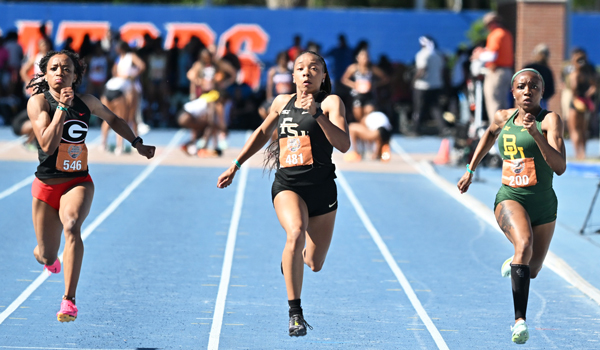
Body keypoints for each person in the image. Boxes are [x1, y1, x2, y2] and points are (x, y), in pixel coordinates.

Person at [217, 51, 350, 337]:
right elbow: (262, 133)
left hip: (323, 190)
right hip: (288, 186)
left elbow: (344, 144)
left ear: (323, 76)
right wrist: (236, 164)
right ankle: (295, 313)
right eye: (300, 68)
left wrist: (316, 114)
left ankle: (292, 260)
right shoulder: (281, 102)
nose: (307, 72)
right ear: (292, 76)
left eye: (314, 68)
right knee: (295, 232)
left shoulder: (331, 103)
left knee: (314, 263)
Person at [25, 50, 155, 322]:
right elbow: (48, 145)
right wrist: (61, 107)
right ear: (46, 75)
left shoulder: (88, 102)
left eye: (67, 69)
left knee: (72, 225)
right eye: (55, 68)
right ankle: (48, 258)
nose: (61, 72)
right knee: (47, 254)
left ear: (75, 76)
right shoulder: (38, 103)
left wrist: (137, 143)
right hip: (46, 185)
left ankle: (68, 301)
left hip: (77, 181)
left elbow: (115, 120)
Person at [457, 68, 566, 344]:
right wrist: (470, 168)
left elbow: (560, 167)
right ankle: (519, 321)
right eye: (521, 86)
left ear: (542, 92)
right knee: (524, 244)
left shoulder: (550, 121)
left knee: (534, 268)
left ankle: (517, 261)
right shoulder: (503, 117)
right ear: (513, 91)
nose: (527, 91)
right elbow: (489, 135)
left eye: (533, 86)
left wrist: (537, 134)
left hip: (543, 204)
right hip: (510, 198)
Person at [471, 12, 514, 122]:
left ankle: (496, 130)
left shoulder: (495, 34)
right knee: (503, 102)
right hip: (506, 71)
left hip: (496, 71)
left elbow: (492, 55)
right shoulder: (506, 33)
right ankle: (505, 128)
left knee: (494, 102)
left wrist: (479, 55)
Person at [341, 48, 389, 124]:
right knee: (358, 115)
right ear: (358, 58)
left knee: (369, 111)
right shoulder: (353, 68)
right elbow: (344, 79)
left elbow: (385, 78)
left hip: (369, 95)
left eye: (367, 57)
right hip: (357, 95)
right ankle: (361, 129)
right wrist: (354, 85)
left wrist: (375, 84)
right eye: (363, 56)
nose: (365, 59)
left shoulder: (372, 69)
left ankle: (366, 128)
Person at [410, 35, 447, 136]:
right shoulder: (438, 54)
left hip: (422, 86)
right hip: (436, 85)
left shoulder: (422, 55)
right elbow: (443, 71)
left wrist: (413, 80)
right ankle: (443, 129)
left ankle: (415, 130)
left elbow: (422, 69)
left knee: (418, 108)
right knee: (436, 108)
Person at [566, 48, 597, 160]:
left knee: (575, 129)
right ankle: (583, 152)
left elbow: (573, 88)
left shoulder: (575, 73)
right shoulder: (588, 73)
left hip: (576, 102)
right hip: (585, 102)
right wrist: (588, 95)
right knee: (583, 129)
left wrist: (577, 97)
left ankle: (578, 153)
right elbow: (594, 86)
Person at [524, 43, 555, 109]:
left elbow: (551, 88)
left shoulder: (547, 70)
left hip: (542, 101)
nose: (543, 56)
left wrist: (542, 95)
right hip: (527, 98)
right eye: (541, 53)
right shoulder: (529, 68)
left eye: (545, 54)